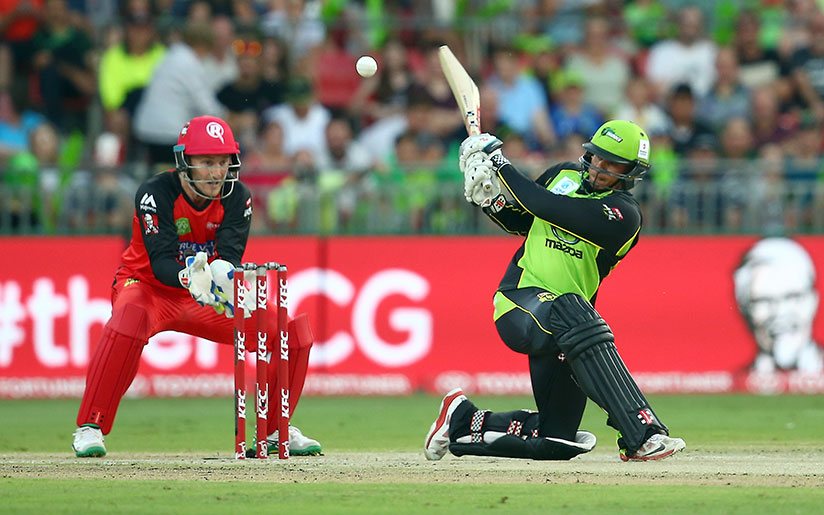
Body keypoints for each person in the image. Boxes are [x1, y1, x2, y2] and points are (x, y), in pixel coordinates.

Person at [424, 120, 686, 462]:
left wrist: (499, 163)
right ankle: (642, 434)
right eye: (597, 158)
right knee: (572, 307)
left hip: (570, 330)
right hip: (519, 303)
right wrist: (490, 199)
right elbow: (522, 218)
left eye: (612, 165)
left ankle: (461, 420)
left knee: (557, 440)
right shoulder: (561, 174)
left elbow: (551, 208)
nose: (600, 168)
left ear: (630, 174)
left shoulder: (624, 215)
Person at [71, 115, 322, 458]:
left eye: (222, 162)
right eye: (206, 163)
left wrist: (230, 281)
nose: (216, 172)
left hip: (207, 296)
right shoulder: (155, 192)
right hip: (149, 288)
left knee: (287, 327)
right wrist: (189, 277)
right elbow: (160, 261)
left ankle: (276, 430)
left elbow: (229, 255)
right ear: (185, 161)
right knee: (128, 318)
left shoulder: (238, 198)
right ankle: (90, 427)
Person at [733, 237, 824, 374]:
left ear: (813, 301)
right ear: (744, 308)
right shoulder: (740, 380)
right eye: (764, 300)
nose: (780, 313)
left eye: (792, 297)